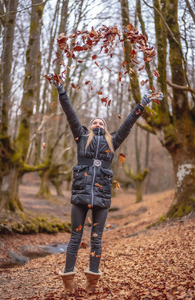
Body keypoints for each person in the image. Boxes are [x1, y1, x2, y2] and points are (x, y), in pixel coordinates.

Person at [51, 76, 163, 293]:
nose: (98, 123)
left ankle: (92, 282)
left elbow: (129, 123)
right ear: (90, 126)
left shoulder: (113, 141)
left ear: (105, 126)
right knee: (75, 236)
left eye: (101, 122)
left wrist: (142, 104)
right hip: (80, 195)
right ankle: (68, 282)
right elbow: (70, 114)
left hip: (102, 199)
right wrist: (61, 91)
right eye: (95, 121)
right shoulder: (81, 137)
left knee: (96, 239)